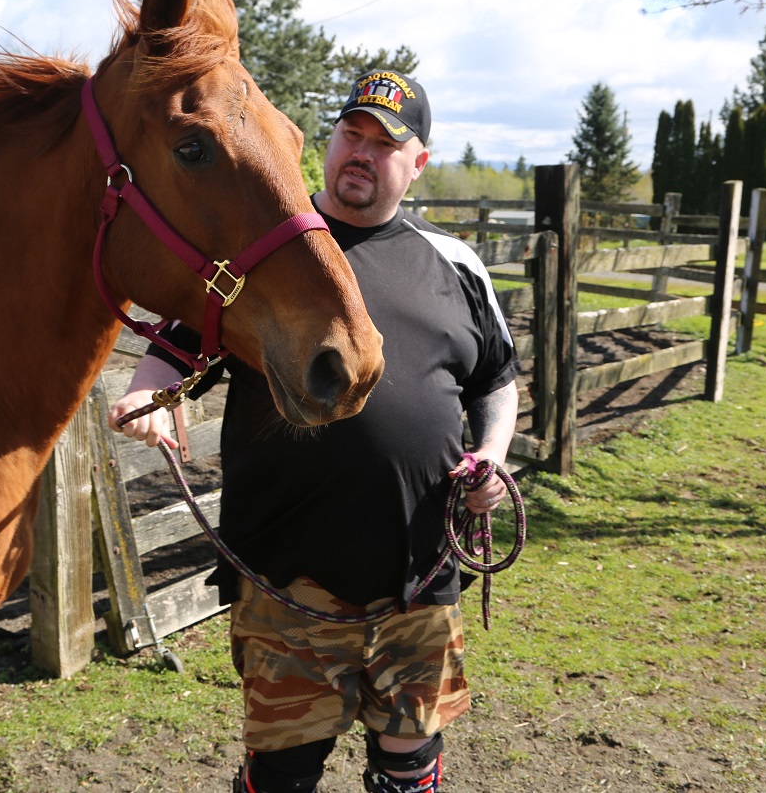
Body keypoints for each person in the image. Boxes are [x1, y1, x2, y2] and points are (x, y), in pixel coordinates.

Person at [110, 69, 519, 793]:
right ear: (327, 142)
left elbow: (495, 380)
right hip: (288, 581)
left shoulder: (456, 265)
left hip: (420, 576)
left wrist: (491, 454)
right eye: (350, 134)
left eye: (384, 144)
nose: (360, 153)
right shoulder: (261, 250)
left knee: (408, 765)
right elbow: (174, 344)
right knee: (284, 776)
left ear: (417, 163)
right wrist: (149, 394)